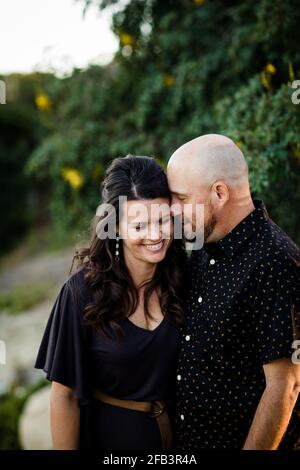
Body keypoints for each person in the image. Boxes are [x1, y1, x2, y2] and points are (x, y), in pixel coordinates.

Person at [34, 155, 187, 450]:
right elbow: (64, 397)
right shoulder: (82, 293)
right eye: (139, 226)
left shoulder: (184, 278)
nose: (155, 235)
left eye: (162, 220)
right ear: (115, 228)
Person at [167, 133, 300, 450]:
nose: (172, 210)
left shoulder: (275, 263)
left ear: (219, 193)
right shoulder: (202, 244)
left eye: (181, 199)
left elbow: (286, 386)